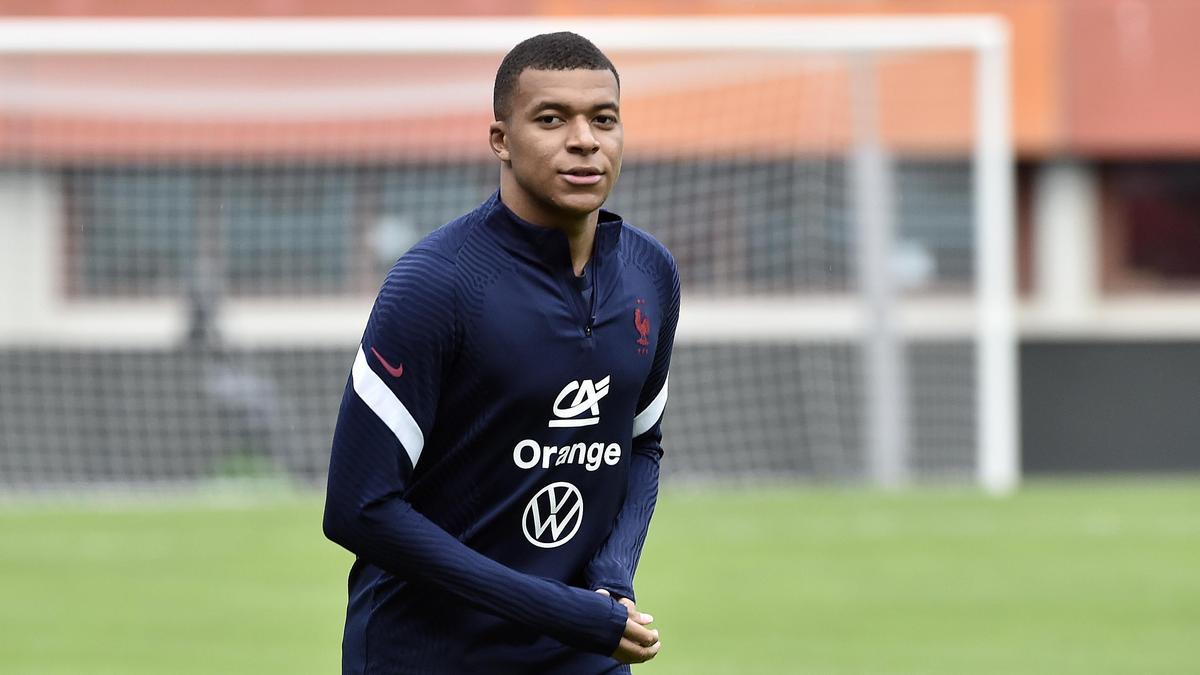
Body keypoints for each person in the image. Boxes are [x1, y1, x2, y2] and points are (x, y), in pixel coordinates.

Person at [323, 31, 679, 674]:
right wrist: (557, 610)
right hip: (429, 657)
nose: (584, 140)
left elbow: (640, 445)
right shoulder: (436, 283)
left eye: (604, 119)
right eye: (551, 119)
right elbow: (360, 509)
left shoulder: (650, 272)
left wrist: (611, 579)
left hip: (585, 655)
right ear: (501, 140)